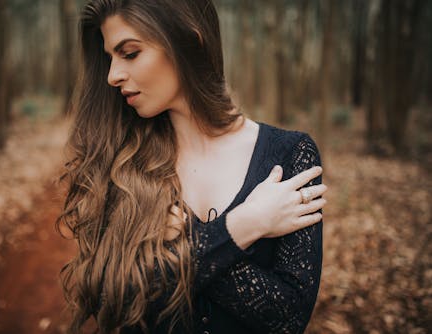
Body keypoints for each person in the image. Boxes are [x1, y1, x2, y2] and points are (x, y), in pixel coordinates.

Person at [56, 0, 327, 333]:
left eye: (129, 53)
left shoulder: (290, 156)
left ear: (190, 42)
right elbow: (116, 305)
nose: (112, 75)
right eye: (110, 58)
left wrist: (183, 244)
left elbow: (289, 320)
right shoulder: (121, 160)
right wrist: (242, 227)